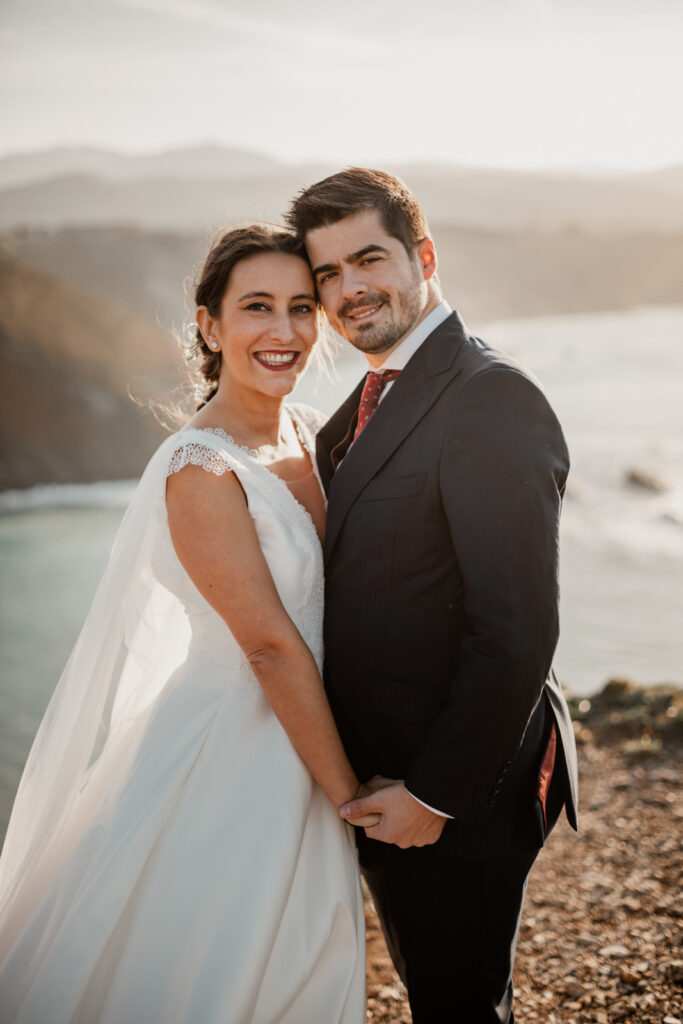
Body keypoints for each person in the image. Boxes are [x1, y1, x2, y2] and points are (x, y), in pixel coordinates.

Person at [0, 224, 371, 1024]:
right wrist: (350, 795)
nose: (284, 332)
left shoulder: (308, 431)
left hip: (308, 733)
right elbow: (270, 647)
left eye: (302, 307)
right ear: (209, 325)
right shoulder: (199, 469)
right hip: (236, 755)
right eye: (257, 308)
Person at [287, 168, 579, 1024]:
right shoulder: (367, 401)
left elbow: (516, 631)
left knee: (457, 1006)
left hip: (458, 791)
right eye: (327, 275)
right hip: (390, 780)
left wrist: (434, 797)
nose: (348, 290)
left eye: (367, 259)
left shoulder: (490, 398)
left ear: (423, 256)